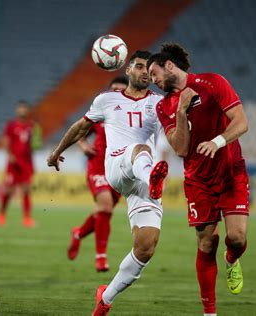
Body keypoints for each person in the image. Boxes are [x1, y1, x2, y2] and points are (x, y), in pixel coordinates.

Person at [47, 51, 168, 316]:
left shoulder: (160, 104)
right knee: (139, 149)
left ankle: (105, 299)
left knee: (146, 247)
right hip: (118, 166)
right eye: (138, 66)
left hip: (144, 180)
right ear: (128, 70)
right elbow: (81, 127)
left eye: (148, 68)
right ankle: (153, 178)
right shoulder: (107, 100)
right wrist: (56, 152)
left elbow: (173, 138)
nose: (144, 72)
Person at [148, 44, 250, 316]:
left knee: (237, 238)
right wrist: (181, 112)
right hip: (198, 181)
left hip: (231, 172)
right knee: (206, 243)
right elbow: (180, 149)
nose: (153, 80)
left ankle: (232, 259)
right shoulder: (164, 106)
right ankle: (209, 313)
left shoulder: (213, 82)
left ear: (169, 65)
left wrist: (217, 142)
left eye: (154, 73)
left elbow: (241, 122)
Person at [68, 76, 128, 272]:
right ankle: (101, 257)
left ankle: (78, 234)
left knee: (103, 212)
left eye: (121, 90)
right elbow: (80, 133)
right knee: (106, 207)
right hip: (98, 167)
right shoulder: (100, 112)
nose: (117, 92)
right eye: (114, 89)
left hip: (120, 170)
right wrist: (84, 145)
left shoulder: (131, 115)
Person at [0, 100, 42, 228]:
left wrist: (37, 139)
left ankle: (27, 218)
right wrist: (9, 155)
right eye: (20, 108)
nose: (22, 110)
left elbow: (35, 144)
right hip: (13, 162)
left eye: (24, 108)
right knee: (9, 190)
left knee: (26, 190)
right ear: (17, 110)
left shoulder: (31, 126)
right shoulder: (11, 125)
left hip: (27, 162)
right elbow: (6, 140)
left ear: (27, 111)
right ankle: (1, 214)